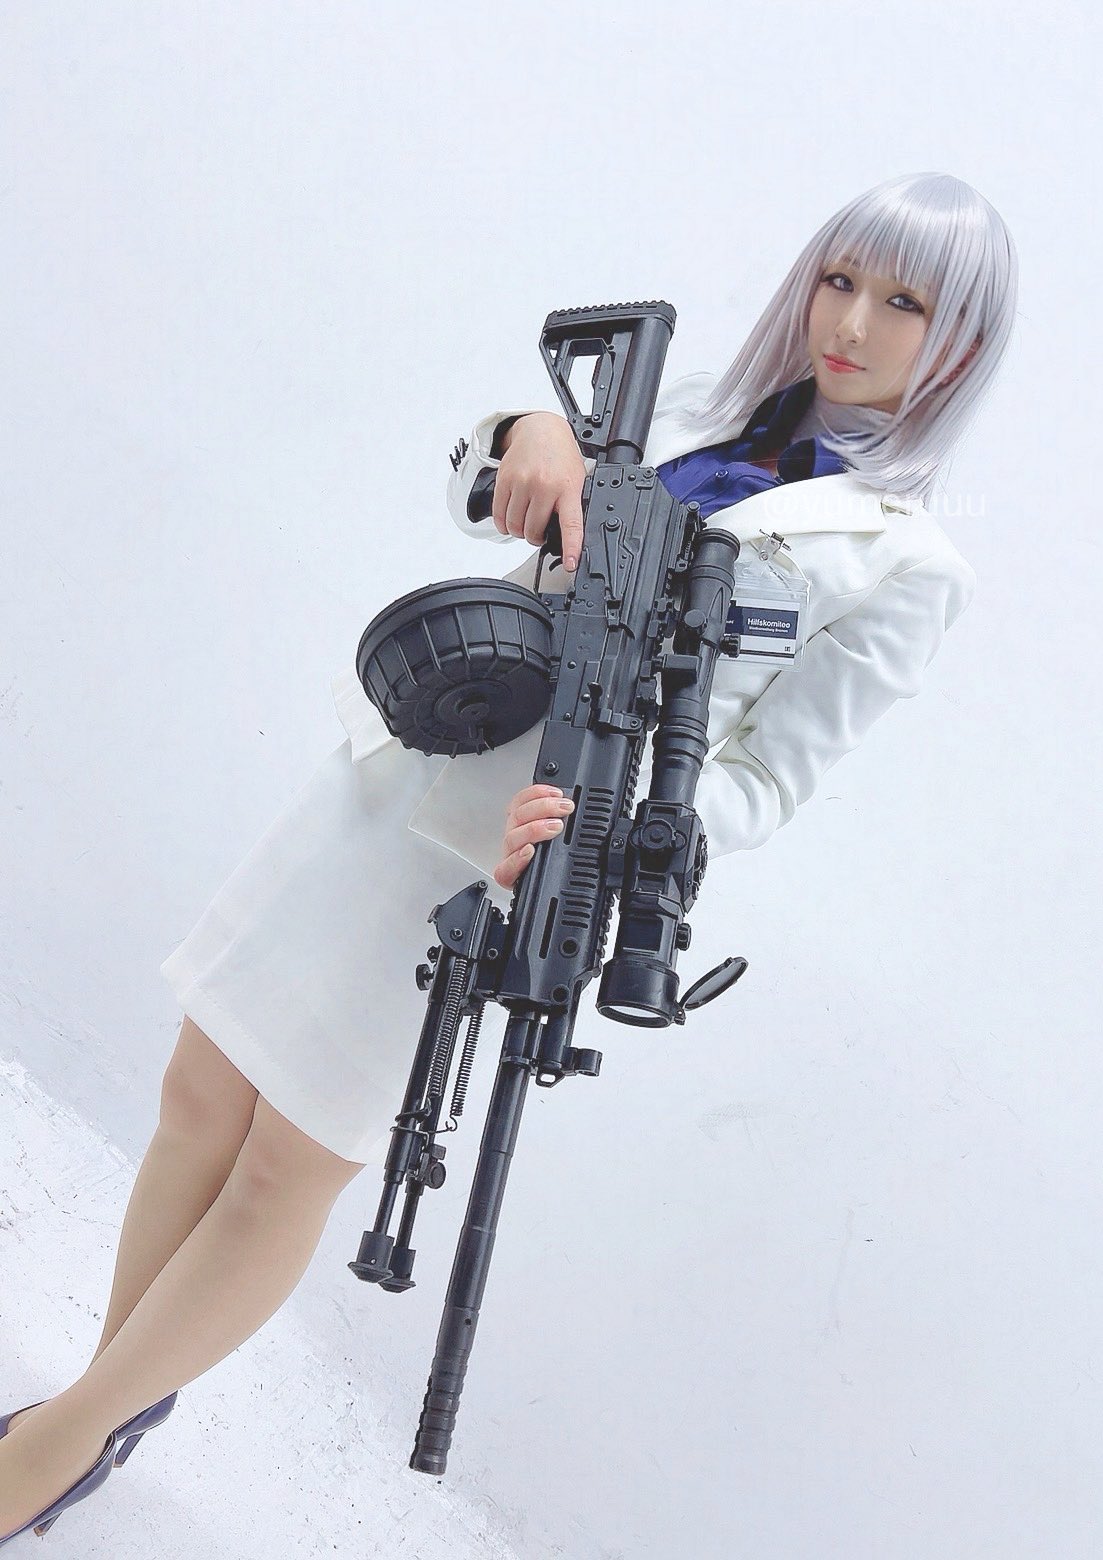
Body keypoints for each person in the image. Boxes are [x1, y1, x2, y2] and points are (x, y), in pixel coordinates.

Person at [0, 170, 1017, 1544]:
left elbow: (768, 777)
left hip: (502, 856)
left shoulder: (906, 563)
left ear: (958, 343)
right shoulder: (684, 408)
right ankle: (101, 1409)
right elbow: (480, 484)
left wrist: (621, 829)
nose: (852, 324)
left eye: (903, 303)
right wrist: (523, 431)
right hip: (405, 756)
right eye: (840, 279)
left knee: (288, 1163)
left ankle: (49, 1452)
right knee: (199, 1089)